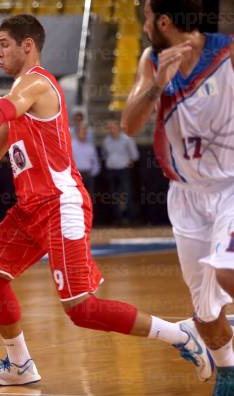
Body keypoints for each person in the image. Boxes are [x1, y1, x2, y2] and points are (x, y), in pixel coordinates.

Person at [0, 14, 212, 387]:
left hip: (59, 205)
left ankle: (181, 334)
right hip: (30, 210)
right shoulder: (20, 100)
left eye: (4, 43)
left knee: (81, 308)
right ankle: (19, 365)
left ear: (27, 45)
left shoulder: (35, 85)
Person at [121, 0, 234, 393]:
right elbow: (129, 124)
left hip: (230, 188)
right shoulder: (152, 61)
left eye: (148, 17)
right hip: (185, 196)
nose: (145, 23)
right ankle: (229, 373)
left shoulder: (226, 51)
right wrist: (156, 85)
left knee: (227, 270)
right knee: (205, 315)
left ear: (164, 21)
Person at [101, 119, 139, 225]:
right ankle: (118, 219)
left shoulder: (127, 140)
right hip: (111, 171)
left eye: (113, 127)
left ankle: (131, 219)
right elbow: (104, 155)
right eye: (109, 127)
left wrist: (127, 163)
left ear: (118, 127)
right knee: (113, 196)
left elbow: (135, 156)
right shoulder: (106, 141)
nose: (111, 129)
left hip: (124, 170)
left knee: (127, 194)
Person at [71, 122, 100, 199]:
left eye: (85, 132)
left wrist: (93, 173)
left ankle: (91, 211)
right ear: (77, 133)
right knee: (78, 198)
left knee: (90, 197)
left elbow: (95, 162)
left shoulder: (90, 146)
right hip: (76, 176)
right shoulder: (71, 145)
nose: (84, 133)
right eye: (82, 131)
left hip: (88, 174)